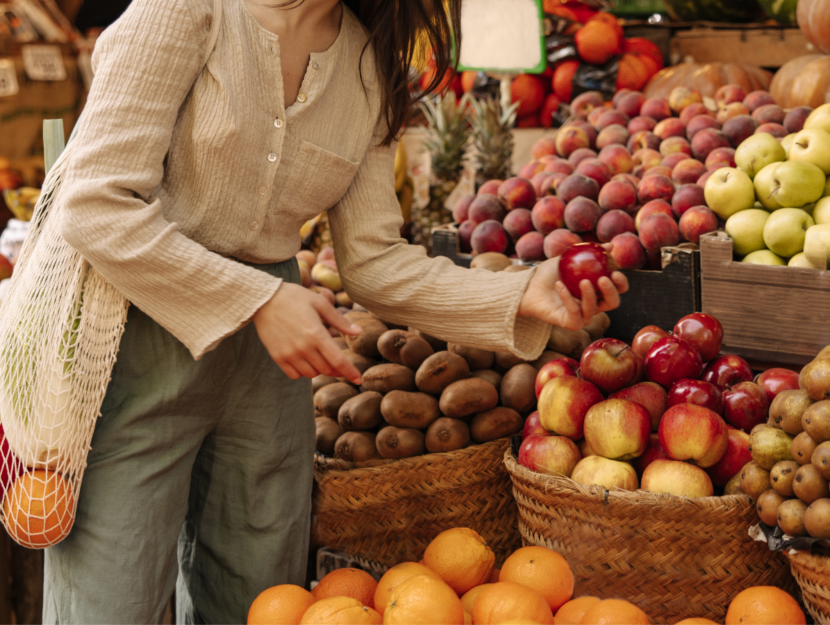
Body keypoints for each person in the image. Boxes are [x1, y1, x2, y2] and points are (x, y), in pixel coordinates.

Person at [45, 0, 629, 622]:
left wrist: (517, 291)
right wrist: (257, 298)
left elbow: (373, 261)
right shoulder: (185, 12)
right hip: (132, 334)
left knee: (261, 597)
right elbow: (94, 203)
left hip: (268, 368)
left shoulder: (368, 61)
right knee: (108, 600)